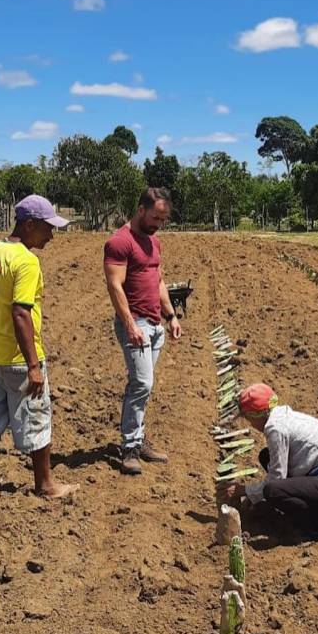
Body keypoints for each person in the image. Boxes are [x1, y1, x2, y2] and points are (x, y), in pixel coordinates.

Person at [0, 195, 78, 507]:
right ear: (29, 225)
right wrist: (33, 366)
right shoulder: (26, 261)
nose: (52, 235)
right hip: (17, 360)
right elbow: (21, 313)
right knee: (37, 420)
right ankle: (46, 484)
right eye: (47, 228)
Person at [103, 187, 182, 476]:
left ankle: (138, 438)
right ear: (140, 209)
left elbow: (158, 280)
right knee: (141, 385)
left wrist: (170, 315)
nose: (159, 223)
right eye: (155, 217)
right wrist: (129, 324)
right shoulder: (119, 242)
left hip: (155, 325)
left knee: (144, 388)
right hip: (135, 325)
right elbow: (115, 285)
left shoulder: (154, 242)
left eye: (163, 219)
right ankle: (130, 448)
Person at [222, 383, 318, 540]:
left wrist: (246, 491)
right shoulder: (283, 416)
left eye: (249, 419)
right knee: (266, 456)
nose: (251, 424)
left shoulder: (275, 428)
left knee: (273, 491)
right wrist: (254, 495)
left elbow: (277, 480)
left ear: (257, 415)